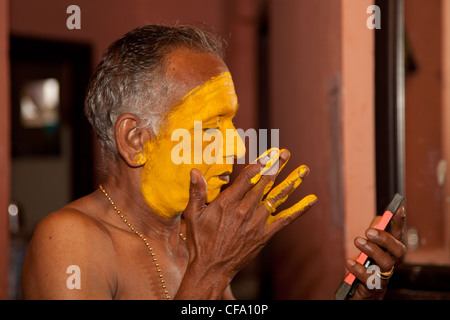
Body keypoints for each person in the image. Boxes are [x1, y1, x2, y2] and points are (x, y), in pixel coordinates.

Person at [21, 24, 405, 300]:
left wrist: (364, 293)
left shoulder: (193, 234)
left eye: (233, 123)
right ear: (136, 140)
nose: (236, 146)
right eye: (209, 129)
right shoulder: (70, 240)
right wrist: (213, 269)